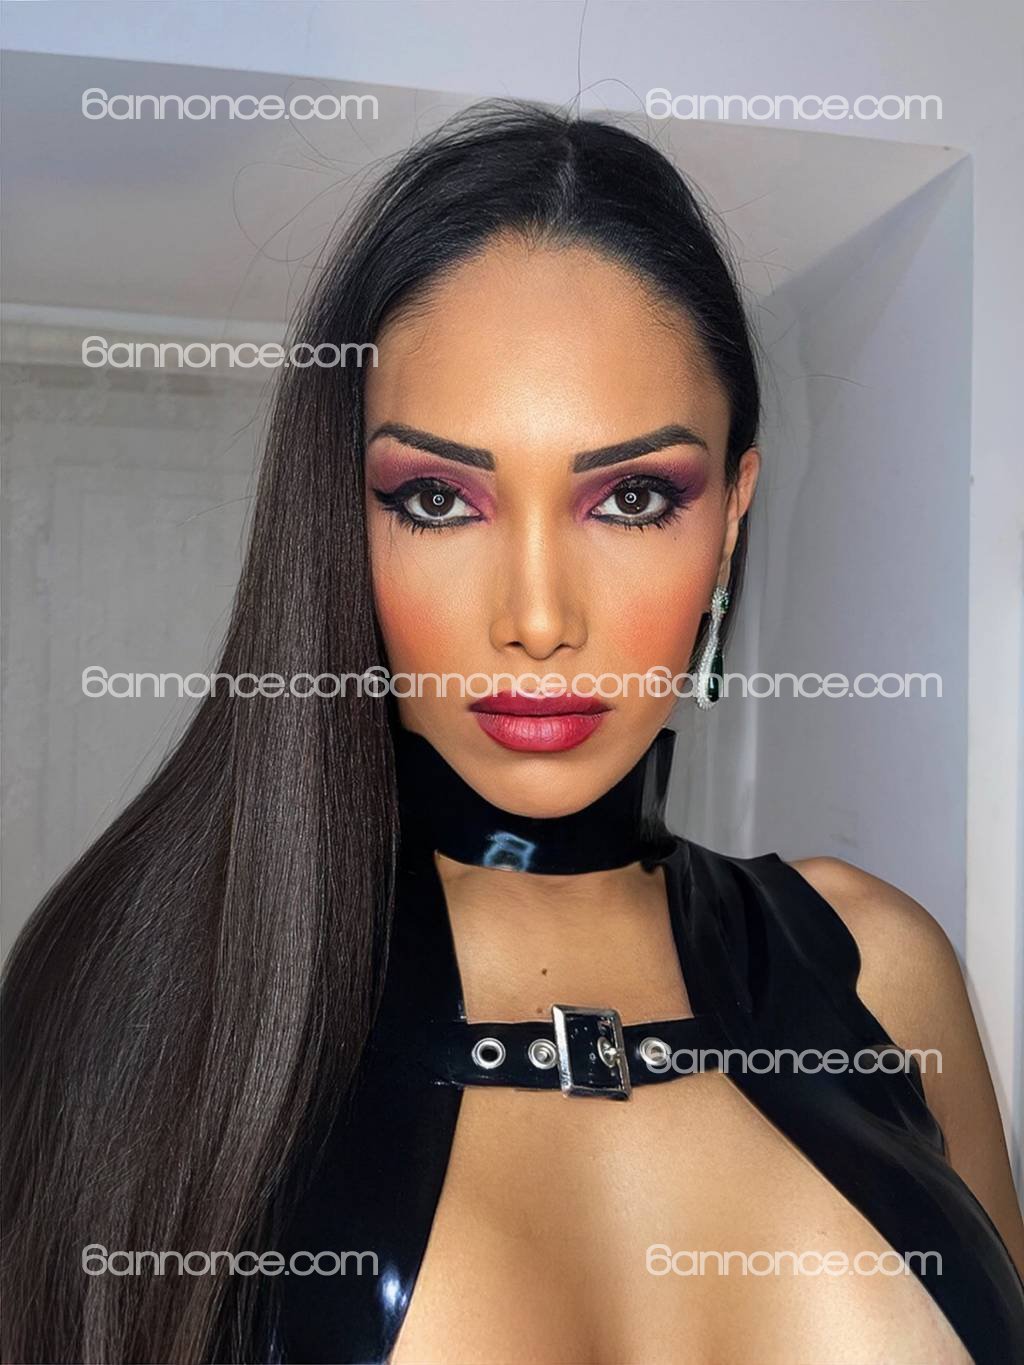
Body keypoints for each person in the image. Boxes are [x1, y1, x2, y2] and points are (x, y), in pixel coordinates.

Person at [4, 102, 1023, 1365]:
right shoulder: (151, 986)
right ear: (341, 517)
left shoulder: (880, 969)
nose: (537, 620)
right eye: (438, 500)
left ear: (730, 517)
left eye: (632, 497)